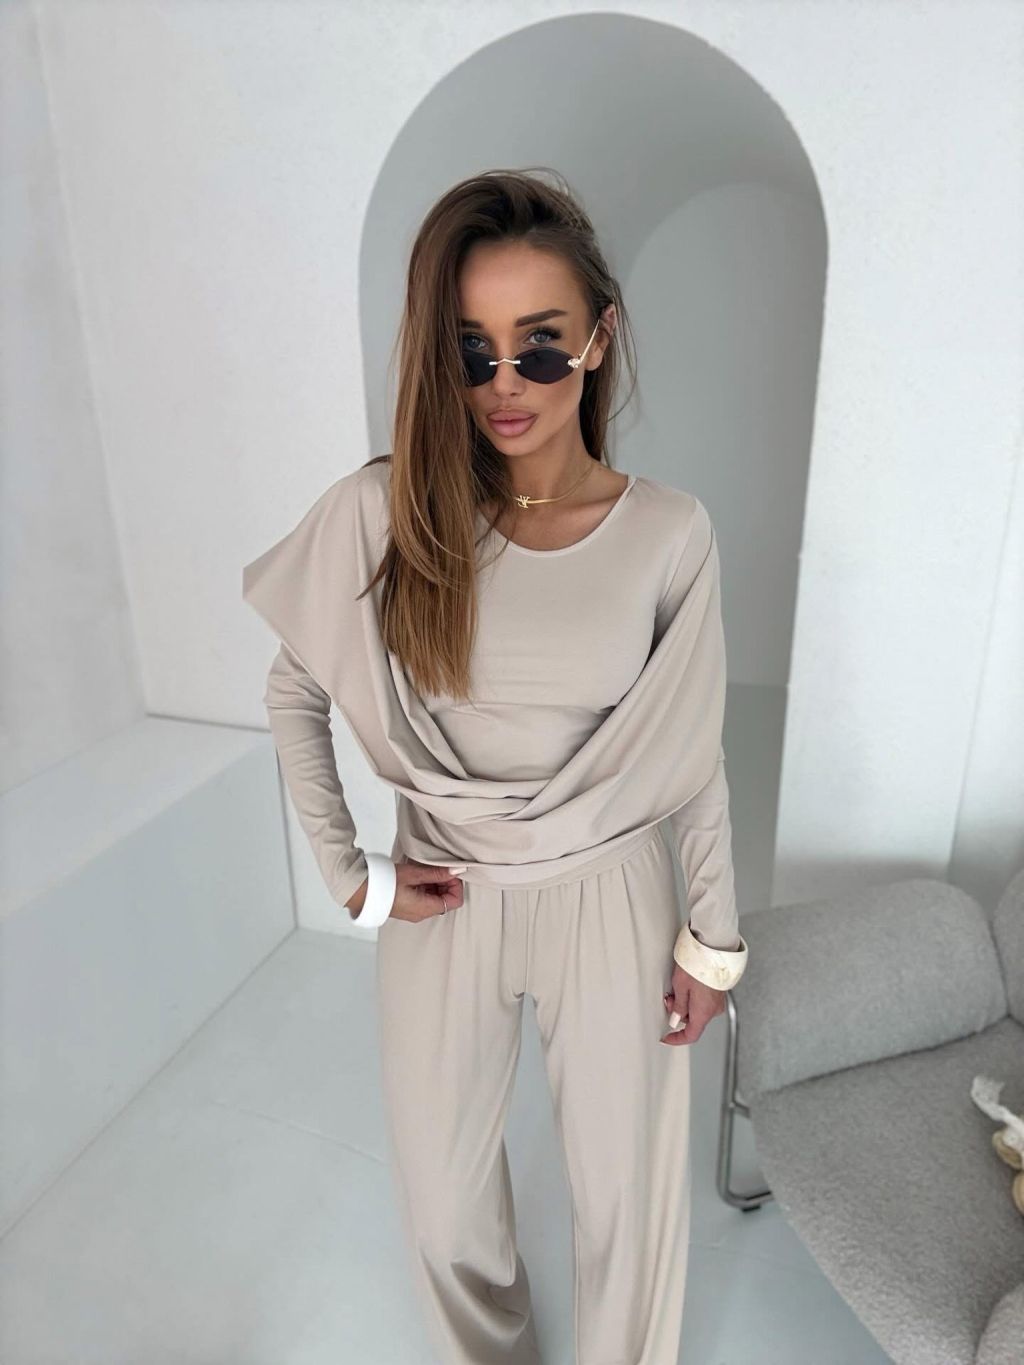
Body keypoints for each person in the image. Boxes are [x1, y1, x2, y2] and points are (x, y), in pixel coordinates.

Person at [243, 167, 748, 1365]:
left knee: (627, 1199)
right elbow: (293, 688)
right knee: (442, 1200)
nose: (504, 384)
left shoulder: (668, 532)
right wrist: (353, 877)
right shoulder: (388, 515)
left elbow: (689, 755)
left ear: (599, 338)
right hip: (447, 890)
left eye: (540, 345)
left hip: (611, 895)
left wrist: (712, 939)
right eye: (472, 351)